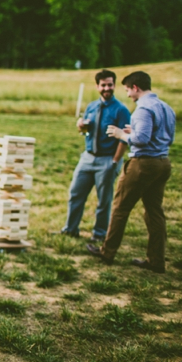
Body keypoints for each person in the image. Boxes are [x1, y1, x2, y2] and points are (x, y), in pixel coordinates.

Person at [86, 71, 176, 274]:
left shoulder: (143, 108)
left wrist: (120, 134)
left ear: (135, 87)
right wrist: (132, 132)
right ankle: (156, 261)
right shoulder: (165, 107)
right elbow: (166, 136)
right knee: (154, 211)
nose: (127, 94)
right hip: (163, 163)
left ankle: (107, 253)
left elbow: (142, 140)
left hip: (143, 164)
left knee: (120, 207)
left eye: (127, 89)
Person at [59, 69, 131, 241]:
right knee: (75, 194)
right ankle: (70, 229)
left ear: (114, 85)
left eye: (110, 85)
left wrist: (115, 161)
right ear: (97, 86)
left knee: (103, 201)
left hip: (107, 159)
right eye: (103, 85)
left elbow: (124, 139)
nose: (107, 88)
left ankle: (99, 235)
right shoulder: (91, 106)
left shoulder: (121, 110)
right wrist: (80, 126)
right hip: (88, 157)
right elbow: (86, 130)